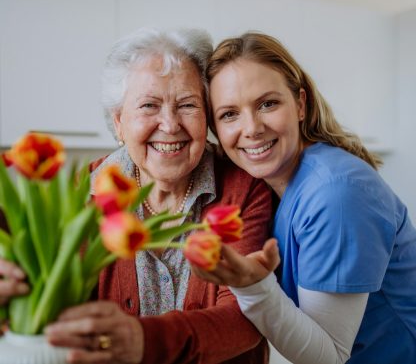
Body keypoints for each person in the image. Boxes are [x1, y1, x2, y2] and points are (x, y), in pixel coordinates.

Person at [192, 32, 416, 364]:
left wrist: (253, 287)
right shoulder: (273, 186)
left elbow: (329, 356)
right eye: (229, 114)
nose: (251, 128)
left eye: (268, 103)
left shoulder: (335, 193)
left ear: (300, 105)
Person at [0, 28, 272, 364]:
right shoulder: (79, 194)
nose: (170, 125)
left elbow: (248, 316)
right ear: (118, 122)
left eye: (187, 105)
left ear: (207, 117)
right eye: (149, 105)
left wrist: (144, 340)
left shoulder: (243, 189)